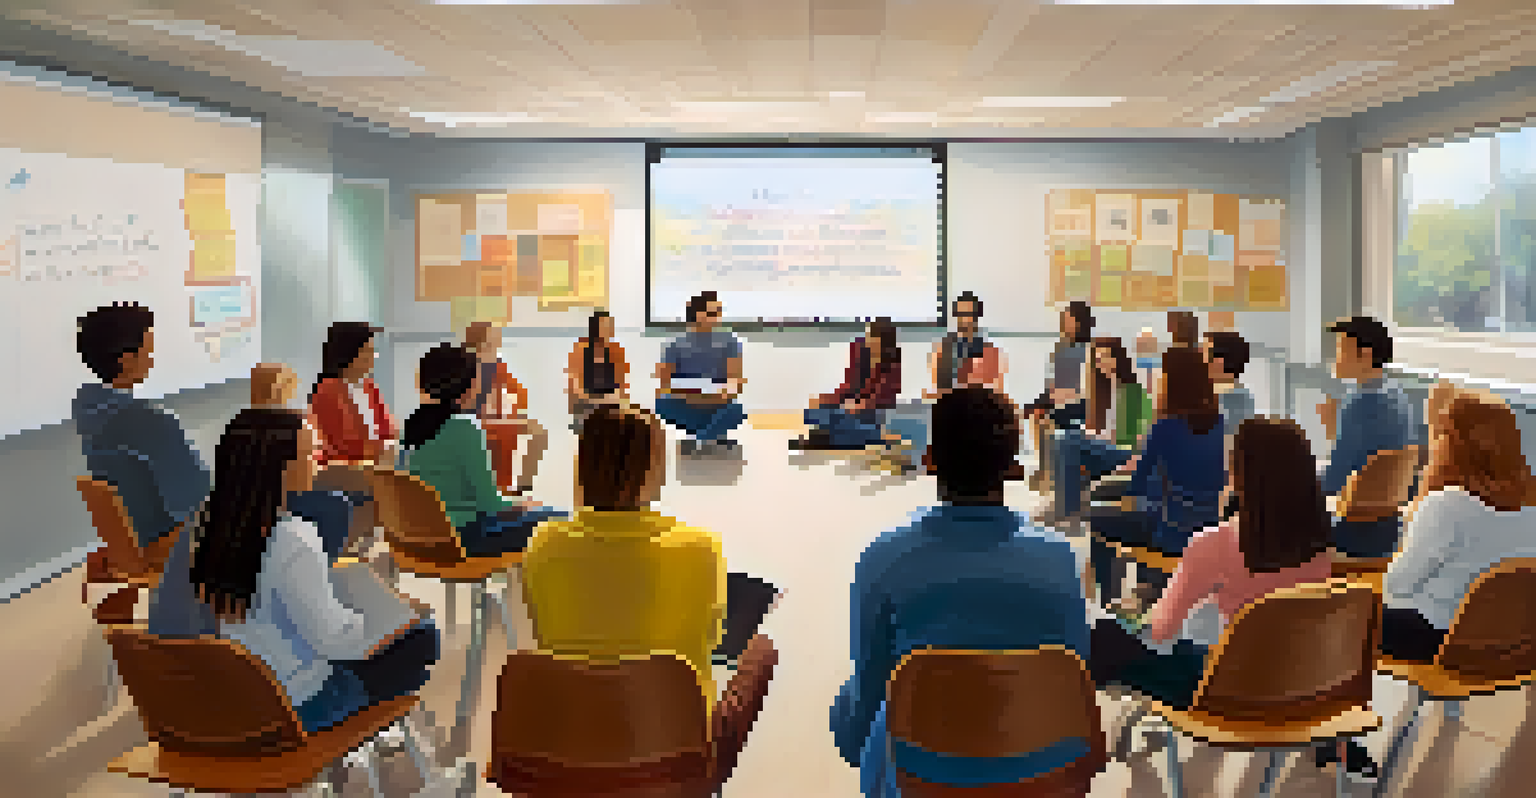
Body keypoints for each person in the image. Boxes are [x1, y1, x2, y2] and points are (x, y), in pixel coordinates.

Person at [831, 387, 1092, 797]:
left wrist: (855, 741)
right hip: (1042, 775)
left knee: (856, 703)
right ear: (1012, 466)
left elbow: (867, 693)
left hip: (920, 777)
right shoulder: (1062, 560)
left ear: (930, 460)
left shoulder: (883, 560)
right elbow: (1076, 678)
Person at [157, 409, 442, 733]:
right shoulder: (292, 536)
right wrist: (383, 623)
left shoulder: (205, 530)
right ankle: (383, 752)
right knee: (423, 636)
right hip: (301, 706)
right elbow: (336, 641)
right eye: (309, 453)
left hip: (241, 699)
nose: (317, 460)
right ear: (282, 468)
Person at [1091, 417, 1333, 718]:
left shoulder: (1215, 543)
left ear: (1239, 474)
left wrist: (1132, 618)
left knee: (1103, 633)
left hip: (1226, 691)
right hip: (1298, 683)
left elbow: (1162, 629)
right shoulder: (1322, 541)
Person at [520, 405, 730, 708]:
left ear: (582, 466)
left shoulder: (543, 544)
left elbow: (546, 630)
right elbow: (712, 638)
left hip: (571, 728)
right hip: (673, 732)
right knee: (758, 658)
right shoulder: (702, 547)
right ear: (656, 470)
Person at [1380, 394, 1536, 663]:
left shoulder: (1445, 506)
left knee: (1353, 618)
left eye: (1440, 436)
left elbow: (1398, 583)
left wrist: (1422, 496)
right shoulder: (1531, 507)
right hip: (1510, 642)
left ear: (1457, 446)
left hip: (1438, 639)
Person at [1086, 347, 1226, 607]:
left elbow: (1137, 485)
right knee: (1138, 504)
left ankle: (1108, 598)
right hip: (1208, 527)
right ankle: (1147, 586)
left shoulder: (1164, 427)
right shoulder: (1221, 425)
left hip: (1170, 531)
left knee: (1095, 514)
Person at [401, 344, 566, 557]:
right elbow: (490, 504)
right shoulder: (464, 428)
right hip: (465, 538)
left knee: (543, 515)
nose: (480, 386)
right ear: (463, 384)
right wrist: (522, 505)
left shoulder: (411, 426)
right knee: (561, 522)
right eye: (477, 379)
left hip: (421, 536)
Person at [72, 302, 210, 549]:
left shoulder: (88, 413)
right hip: (168, 543)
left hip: (131, 541)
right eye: (148, 350)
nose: (152, 358)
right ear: (126, 360)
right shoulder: (153, 423)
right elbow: (197, 497)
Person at [1318, 317, 1422, 558]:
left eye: (1341, 349)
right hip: (1390, 527)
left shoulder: (1360, 403)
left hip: (1351, 531)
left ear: (1364, 355)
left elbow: (1335, 480)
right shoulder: (1397, 394)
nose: (1335, 357)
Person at [250, 362, 372, 560]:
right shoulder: (290, 423)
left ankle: (339, 555)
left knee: (352, 493)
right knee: (340, 501)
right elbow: (299, 478)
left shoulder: (244, 422)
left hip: (274, 495)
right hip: (282, 499)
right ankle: (328, 562)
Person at [1049, 337, 1154, 526]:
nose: (1102, 363)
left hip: (1125, 452)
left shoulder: (1134, 392)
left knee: (1069, 439)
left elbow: (1142, 435)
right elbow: (1099, 431)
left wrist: (1099, 437)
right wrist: (1089, 434)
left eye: (1107, 357)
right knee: (1063, 440)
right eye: (1098, 359)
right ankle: (1065, 509)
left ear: (1118, 359)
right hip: (1104, 450)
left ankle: (1066, 511)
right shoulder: (1099, 394)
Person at [655, 291, 748, 453]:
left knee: (737, 410)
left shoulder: (730, 342)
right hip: (685, 401)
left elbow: (735, 381)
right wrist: (691, 396)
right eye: (712, 313)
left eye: (719, 312)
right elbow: (665, 384)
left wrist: (718, 396)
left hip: (717, 401)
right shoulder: (674, 343)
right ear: (696, 315)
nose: (717, 317)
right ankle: (710, 433)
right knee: (662, 403)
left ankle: (701, 437)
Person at [465, 321, 548, 496]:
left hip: (497, 416)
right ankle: (500, 487)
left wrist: (516, 407)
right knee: (502, 433)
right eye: (493, 333)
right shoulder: (468, 362)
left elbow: (514, 388)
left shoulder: (496, 362)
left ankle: (522, 486)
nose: (498, 337)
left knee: (539, 432)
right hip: (474, 417)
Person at [795, 317, 902, 450]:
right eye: (870, 337)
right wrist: (828, 399)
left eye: (875, 339)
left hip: (873, 413)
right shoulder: (862, 354)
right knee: (812, 412)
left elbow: (882, 398)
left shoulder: (893, 364)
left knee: (841, 418)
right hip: (852, 407)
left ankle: (826, 438)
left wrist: (859, 405)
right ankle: (832, 436)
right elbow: (849, 386)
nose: (871, 342)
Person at [308, 322, 398, 480]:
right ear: (350, 354)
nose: (373, 357)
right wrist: (383, 448)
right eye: (368, 351)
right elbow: (346, 444)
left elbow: (389, 430)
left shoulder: (370, 387)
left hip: (374, 472)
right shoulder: (327, 391)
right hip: (343, 478)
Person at [1027, 301, 1094, 492]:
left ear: (1079, 322)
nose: (1064, 324)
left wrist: (1063, 397)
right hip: (1059, 400)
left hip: (1080, 402)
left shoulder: (1089, 350)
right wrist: (1042, 401)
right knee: (1036, 417)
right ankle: (1045, 468)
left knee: (1047, 421)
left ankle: (1049, 474)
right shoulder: (1059, 349)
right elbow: (1052, 383)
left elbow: (1087, 387)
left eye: (1068, 320)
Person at [925, 291, 1005, 398]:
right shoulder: (943, 348)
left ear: (976, 316)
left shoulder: (990, 352)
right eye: (960, 314)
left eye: (969, 314)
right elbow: (936, 387)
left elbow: (997, 391)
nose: (965, 319)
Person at [565, 310, 631, 432]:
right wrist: (599, 400)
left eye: (610, 327)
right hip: (586, 405)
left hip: (612, 404)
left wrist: (617, 399)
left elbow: (622, 385)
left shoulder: (616, 351)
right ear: (595, 329)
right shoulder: (580, 350)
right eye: (606, 327)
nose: (610, 331)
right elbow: (575, 388)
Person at [1204, 332, 1255, 440]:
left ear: (1221, 360)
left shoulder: (1223, 398)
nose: (1204, 362)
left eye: (1208, 355)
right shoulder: (1243, 396)